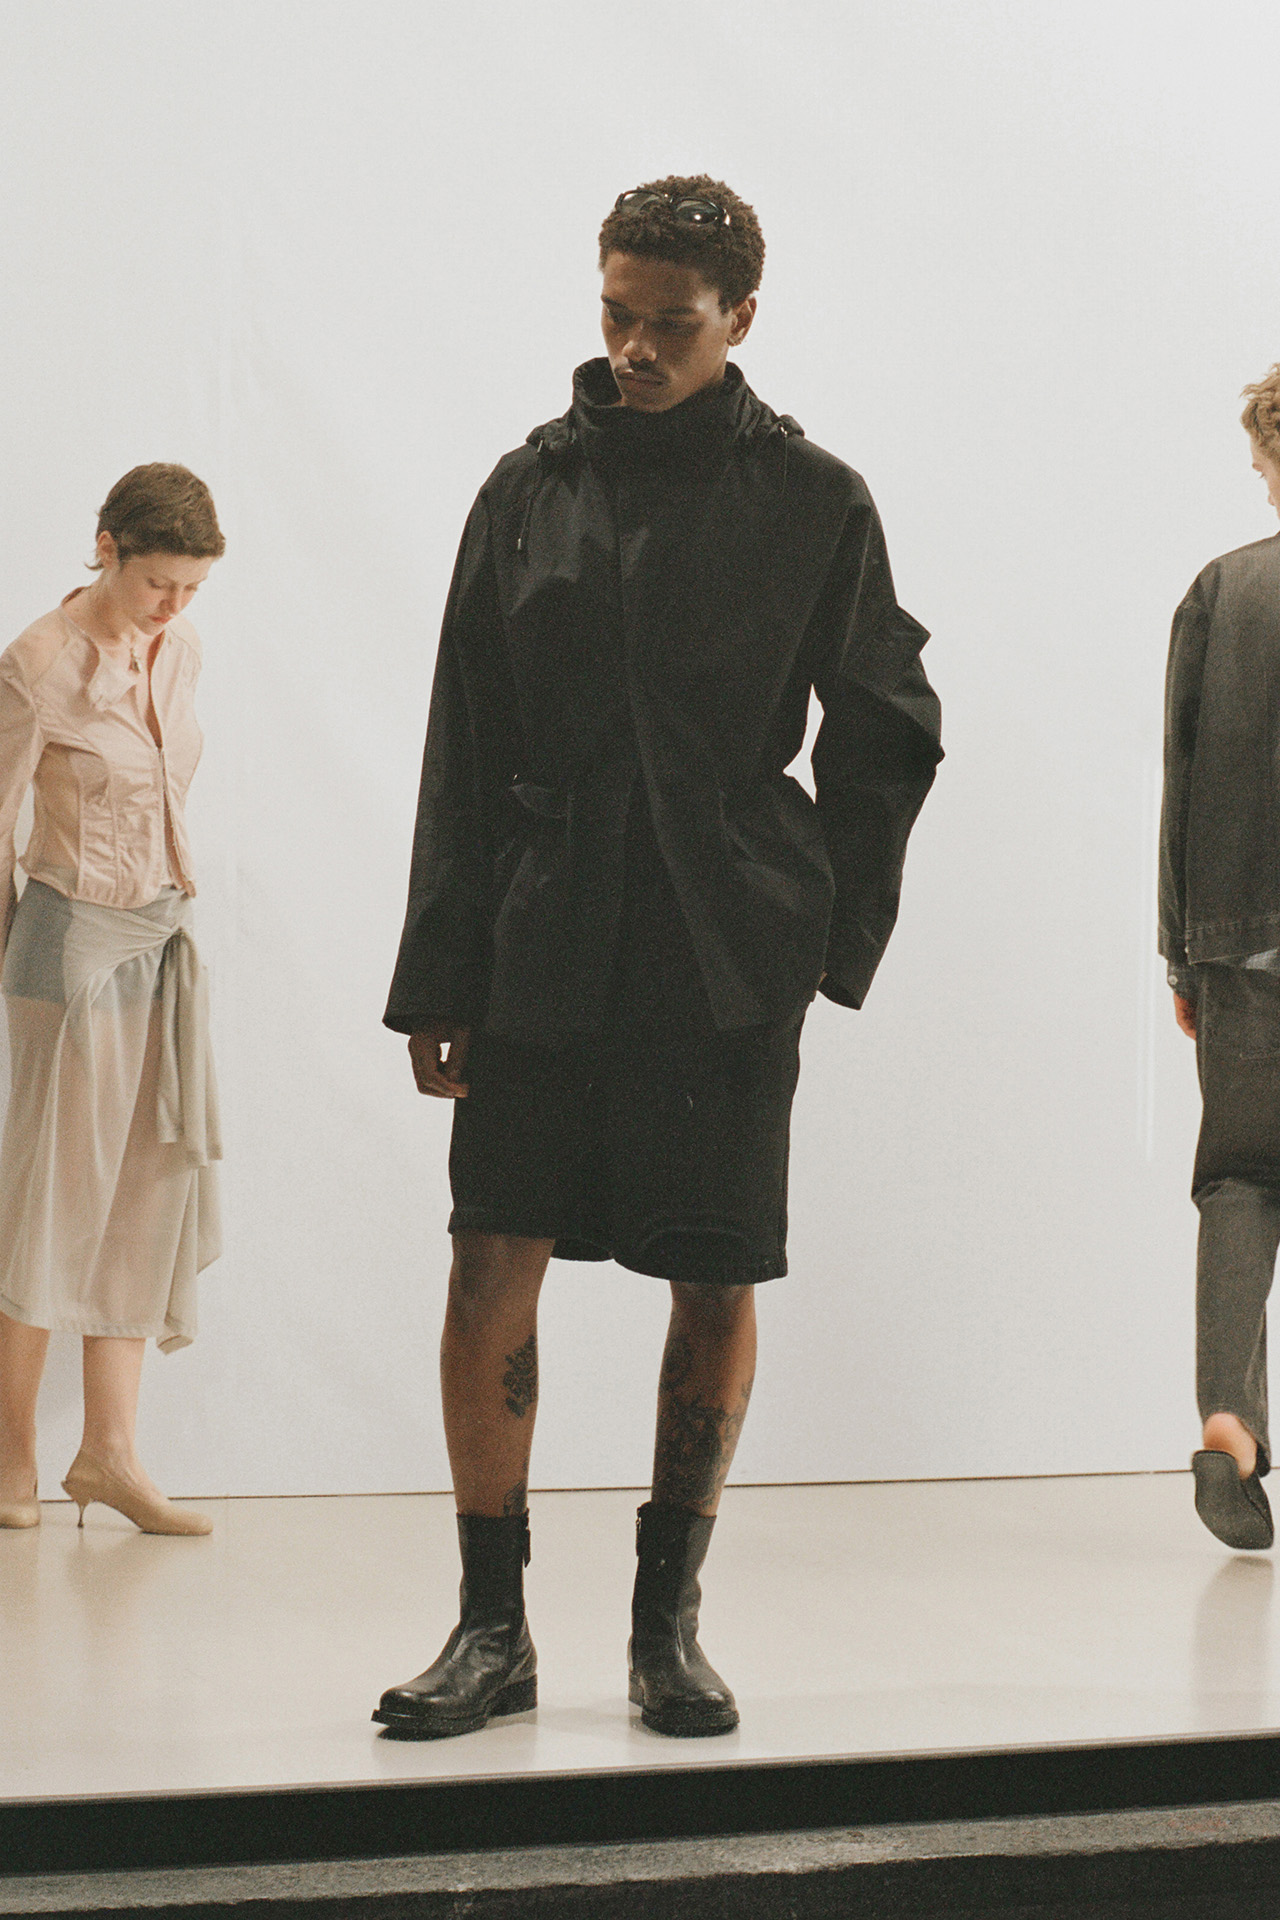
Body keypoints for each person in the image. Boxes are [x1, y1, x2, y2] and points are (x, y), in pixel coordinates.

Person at [377, 177, 942, 1739]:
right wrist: (438, 975)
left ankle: (664, 1625)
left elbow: (889, 721)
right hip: (542, 929)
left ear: (741, 317)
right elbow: (464, 735)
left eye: (670, 326)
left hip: (720, 948)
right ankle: (490, 1631)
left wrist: (823, 925)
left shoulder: (814, 498)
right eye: (616, 314)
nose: (633, 348)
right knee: (490, 1254)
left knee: (716, 1266)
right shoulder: (528, 490)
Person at [0, 464, 223, 1538]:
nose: (174, 604)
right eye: (157, 582)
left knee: (142, 1195)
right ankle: (10, 1459)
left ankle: (110, 1454)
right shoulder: (37, 662)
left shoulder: (180, 652)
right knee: (52, 1205)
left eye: (192, 586)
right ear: (107, 549)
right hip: (70, 944)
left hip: (160, 938)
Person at [1161, 366, 1280, 1552]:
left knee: (1240, 1175)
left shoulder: (1221, 589)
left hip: (1242, 941)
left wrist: (1179, 954)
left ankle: (1227, 1425)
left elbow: (1180, 782)